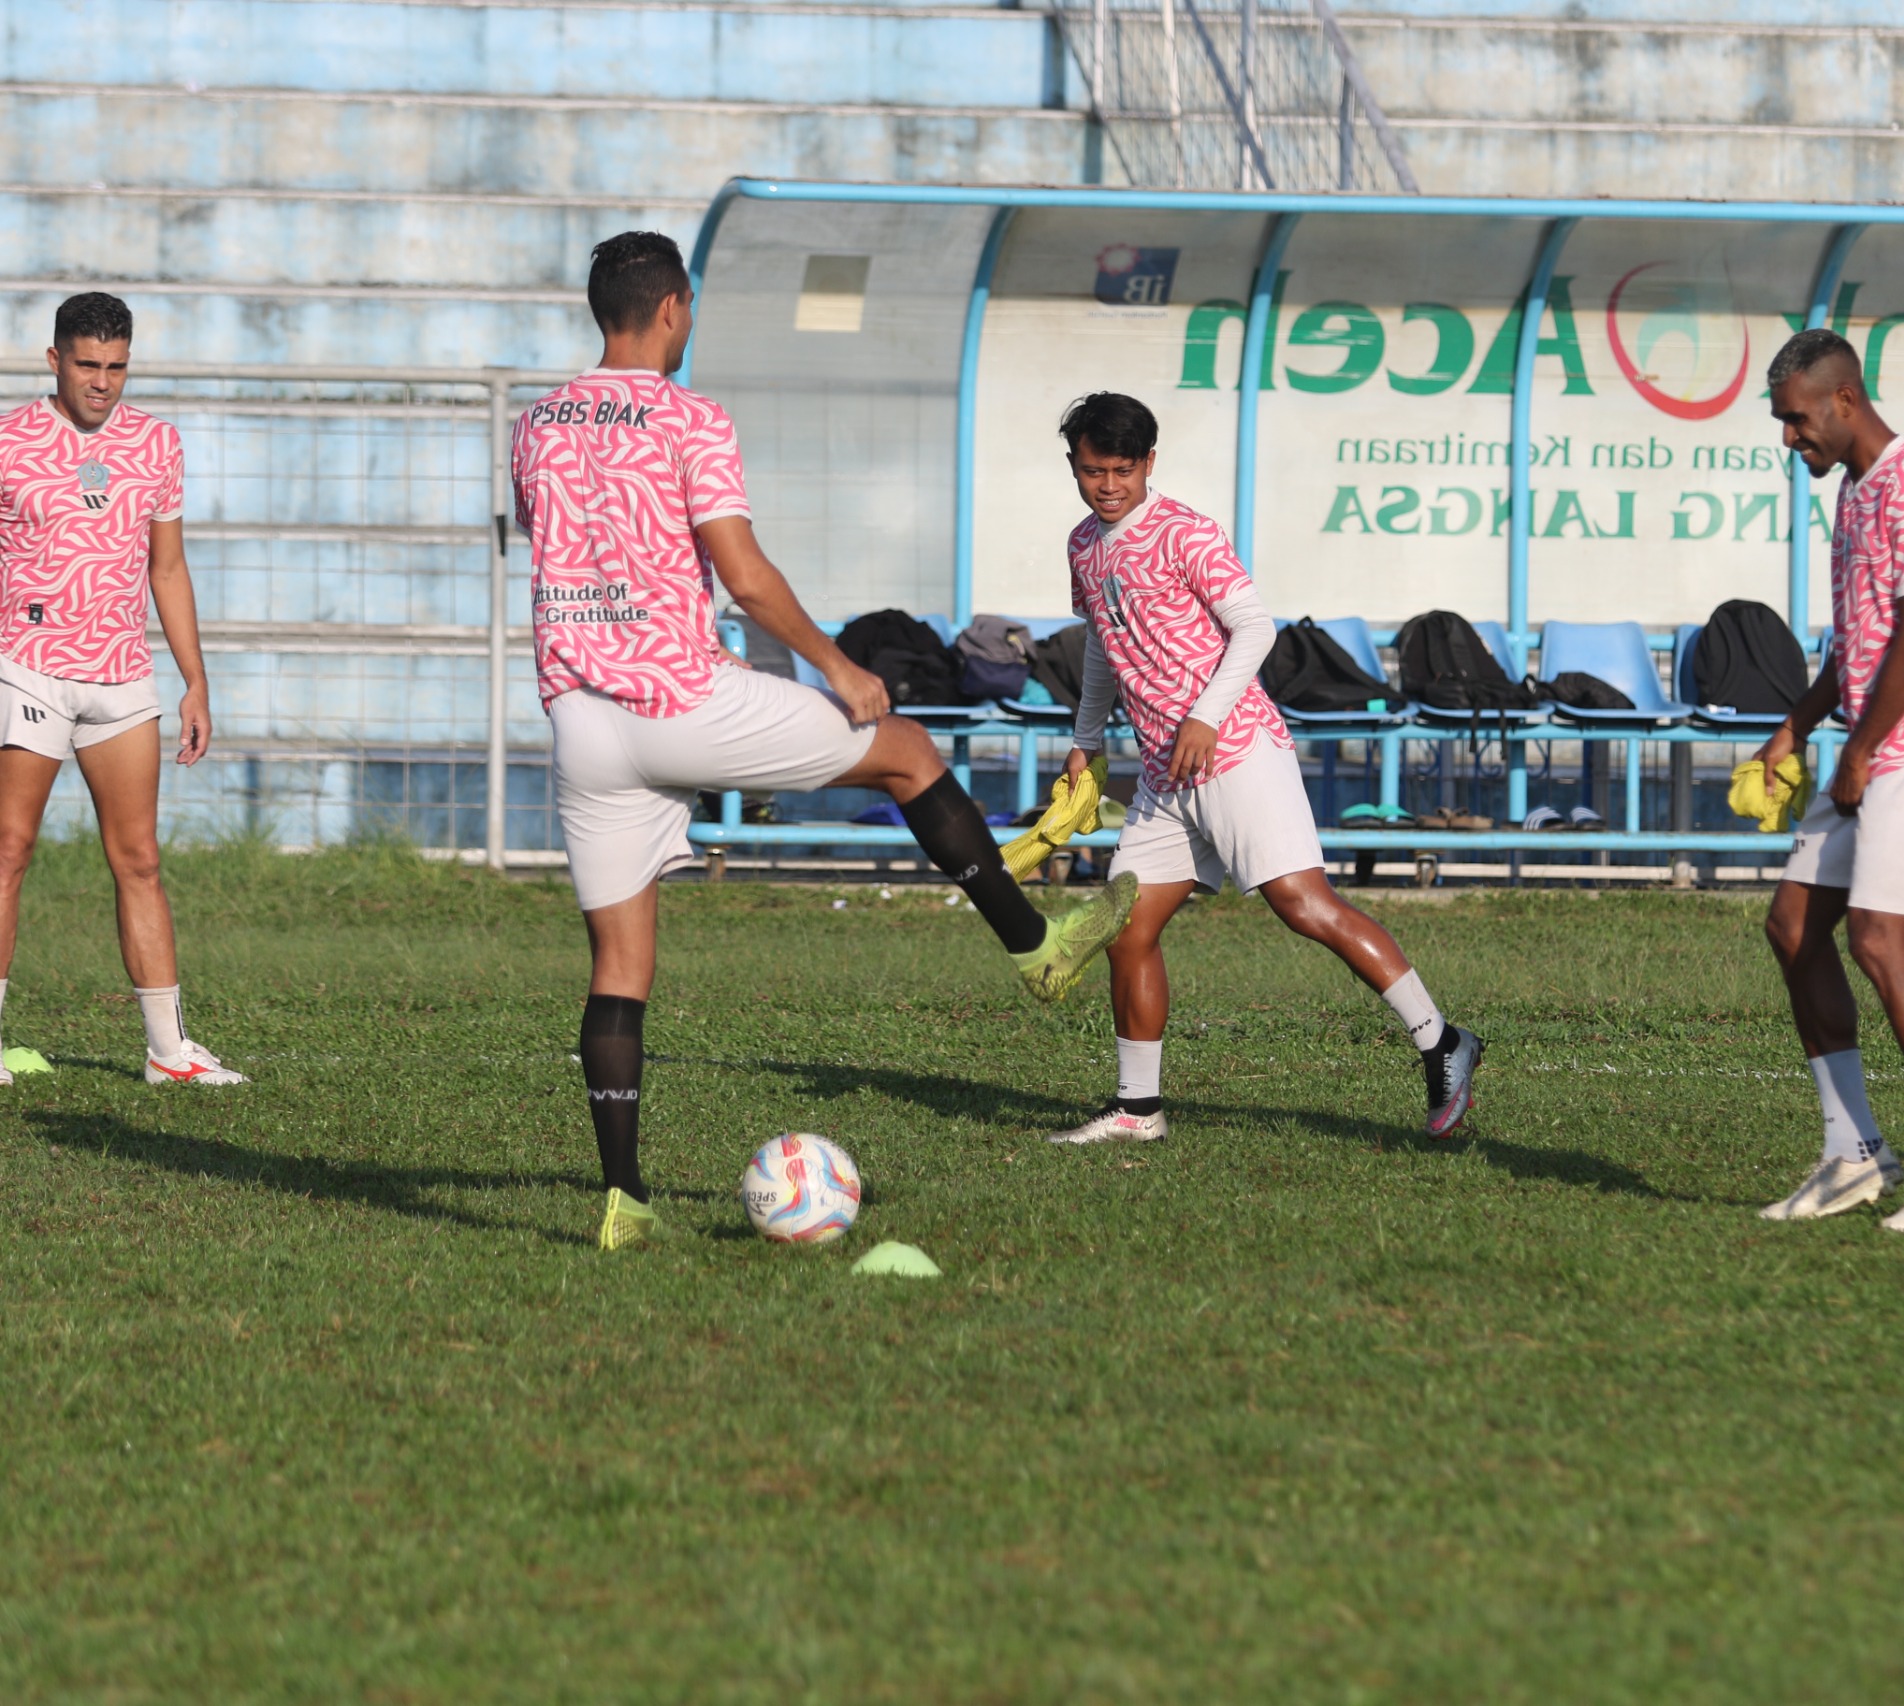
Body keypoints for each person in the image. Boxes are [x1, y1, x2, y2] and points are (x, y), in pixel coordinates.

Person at [518, 233, 1135, 1249]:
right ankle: (1036, 949)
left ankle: (624, 1201)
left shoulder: (538, 422)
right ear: (672, 308)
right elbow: (744, 576)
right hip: (681, 698)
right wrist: (837, 668)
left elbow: (553, 540)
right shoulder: (689, 417)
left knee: (619, 967)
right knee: (907, 751)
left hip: (581, 721)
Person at [1040, 392, 1480, 1145]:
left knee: (1305, 907)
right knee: (1127, 931)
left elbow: (1254, 626)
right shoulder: (1084, 544)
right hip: (1164, 775)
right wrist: (1086, 739)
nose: (1107, 485)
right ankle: (1139, 1111)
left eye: (1122, 469)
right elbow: (1103, 648)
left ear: (1149, 463)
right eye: (1092, 470)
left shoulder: (1185, 532)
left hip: (1237, 751)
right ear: (1074, 466)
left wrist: (1205, 717)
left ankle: (1443, 1043)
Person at [1750, 328, 1904, 1232]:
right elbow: (1856, 643)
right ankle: (1854, 1153)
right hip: (1874, 740)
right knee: (1792, 927)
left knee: (1880, 941)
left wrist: (1857, 754)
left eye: (1797, 420)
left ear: (1845, 401)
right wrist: (1797, 726)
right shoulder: (1854, 491)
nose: (1791, 439)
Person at [0, 292, 241, 1087]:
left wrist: (195, 681)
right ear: (54, 360)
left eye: (116, 366)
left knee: (138, 858)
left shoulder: (157, 442)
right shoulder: (9, 440)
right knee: (8, 850)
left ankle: (169, 1053)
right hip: (24, 665)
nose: (102, 381)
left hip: (122, 676)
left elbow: (166, 568)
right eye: (87, 364)